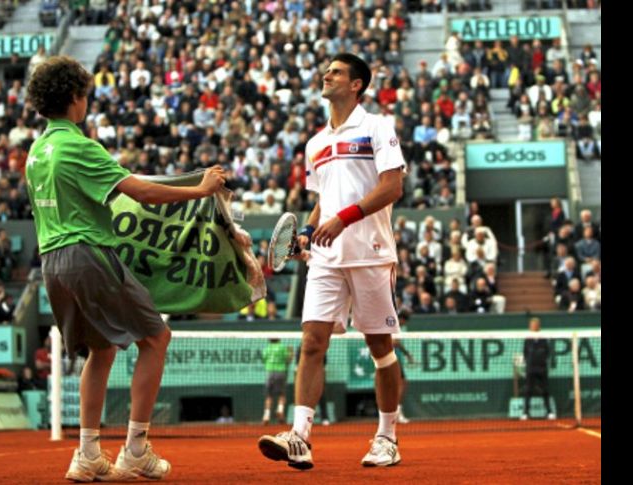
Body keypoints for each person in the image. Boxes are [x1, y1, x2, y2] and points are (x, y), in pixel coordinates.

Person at [24, 56, 225, 482]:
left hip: (52, 263)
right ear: (76, 97)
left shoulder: (37, 150)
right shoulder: (78, 145)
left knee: (101, 350)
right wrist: (200, 188)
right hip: (87, 255)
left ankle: (87, 454)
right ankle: (135, 449)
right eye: (86, 95)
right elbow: (141, 192)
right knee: (157, 337)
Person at [258, 53, 406, 469]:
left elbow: (392, 186)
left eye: (337, 72)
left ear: (356, 84)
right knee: (311, 342)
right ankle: (300, 436)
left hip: (370, 253)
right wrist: (307, 231)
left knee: (380, 349)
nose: (327, 75)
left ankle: (387, 437)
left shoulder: (377, 127)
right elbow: (324, 200)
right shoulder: (315, 143)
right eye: (327, 71)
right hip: (325, 256)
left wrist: (343, 219)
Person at [521, 317, 555, 420]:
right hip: (530, 368)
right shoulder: (527, 339)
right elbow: (525, 353)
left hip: (542, 368)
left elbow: (547, 352)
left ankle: (549, 412)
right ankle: (525, 413)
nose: (532, 327)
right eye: (531, 325)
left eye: (534, 325)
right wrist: (529, 363)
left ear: (538, 326)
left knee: (545, 390)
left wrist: (541, 362)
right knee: (528, 390)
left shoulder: (543, 338)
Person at [262, 338, 293, 425]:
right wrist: (291, 352)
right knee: (282, 394)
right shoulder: (282, 347)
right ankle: (280, 410)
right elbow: (288, 360)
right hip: (281, 373)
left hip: (270, 373)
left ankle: (266, 415)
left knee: (268, 396)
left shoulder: (267, 348)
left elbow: (264, 360)